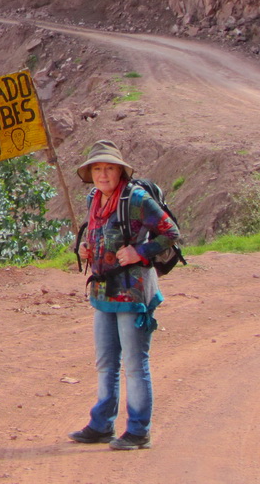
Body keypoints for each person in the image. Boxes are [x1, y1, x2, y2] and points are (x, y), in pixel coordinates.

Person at [67, 140, 180, 451]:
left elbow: (171, 233)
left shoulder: (137, 198)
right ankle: (102, 425)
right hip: (103, 290)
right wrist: (86, 248)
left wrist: (139, 251)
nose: (103, 174)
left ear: (120, 171)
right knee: (106, 362)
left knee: (134, 362)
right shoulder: (94, 198)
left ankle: (138, 430)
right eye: (98, 168)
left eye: (109, 168)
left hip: (134, 293)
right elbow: (96, 233)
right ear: (90, 173)